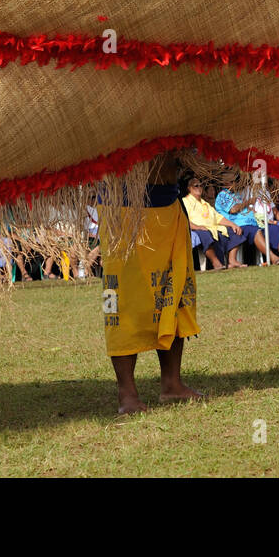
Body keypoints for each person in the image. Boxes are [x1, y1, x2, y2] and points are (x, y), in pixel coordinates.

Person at [102, 152, 203, 414]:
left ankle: (172, 384)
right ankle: (127, 394)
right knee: (122, 304)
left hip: (168, 205)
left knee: (174, 292)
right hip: (121, 210)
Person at [180, 176, 246, 270]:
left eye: (201, 185)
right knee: (204, 234)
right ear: (189, 188)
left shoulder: (204, 203)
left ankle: (232, 260)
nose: (199, 188)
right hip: (198, 229)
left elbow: (218, 218)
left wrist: (233, 224)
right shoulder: (185, 201)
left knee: (235, 231)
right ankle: (216, 263)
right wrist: (198, 227)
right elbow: (184, 220)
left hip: (213, 228)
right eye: (196, 186)